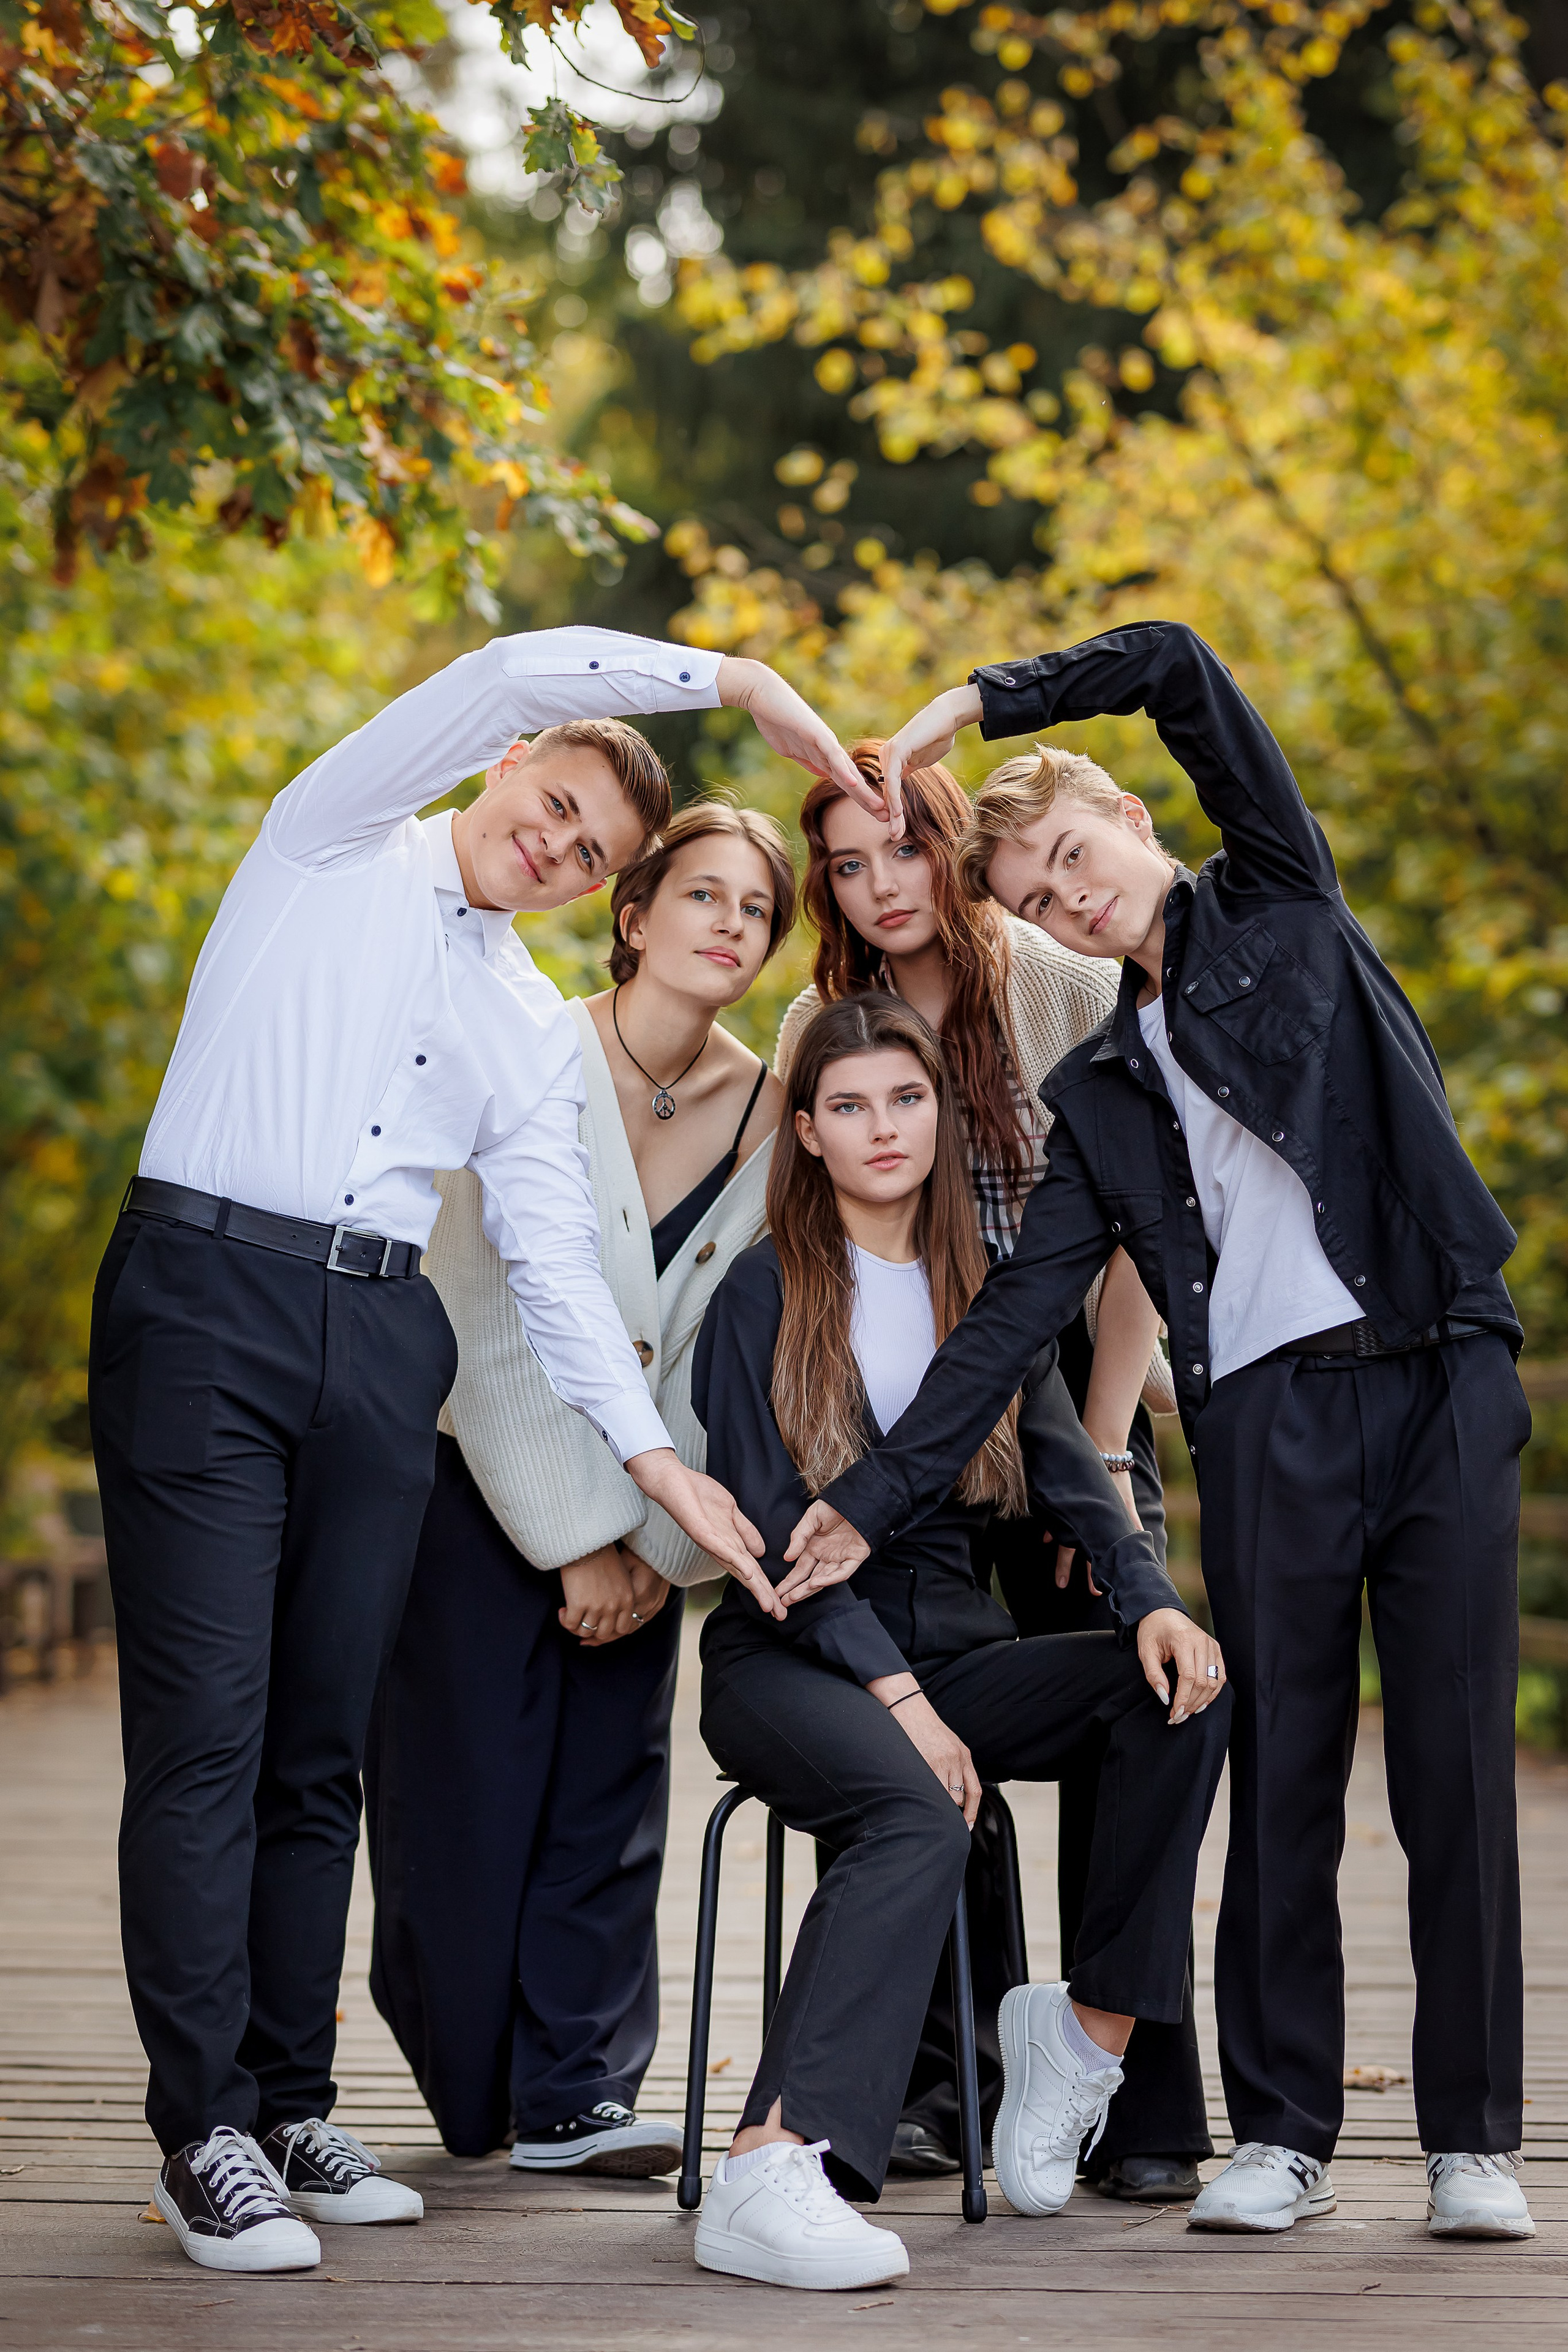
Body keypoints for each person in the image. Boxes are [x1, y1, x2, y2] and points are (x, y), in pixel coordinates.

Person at [88, 624, 871, 2275]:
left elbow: (553, 1267)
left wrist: (658, 1467)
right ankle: (203, 2132)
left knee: (318, 1752)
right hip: (208, 1299)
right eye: (564, 802)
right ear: (513, 764)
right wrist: (737, 685)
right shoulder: (334, 836)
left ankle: (291, 2099)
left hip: (380, 1343)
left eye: (593, 852)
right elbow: (514, 662)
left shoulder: (521, 1021)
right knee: (211, 1736)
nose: (561, 845)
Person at [785, 621, 1536, 2242]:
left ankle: (1473, 2141)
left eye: (1073, 860)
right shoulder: (1109, 1088)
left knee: (1459, 1770)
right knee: (1283, 1771)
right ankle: (1285, 2134)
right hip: (1266, 1430)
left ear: (1132, 819)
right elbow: (1004, 1331)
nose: (1071, 900)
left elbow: (1186, 663)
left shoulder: (1278, 896)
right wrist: (873, 1493)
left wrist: (968, 712)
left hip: (1438, 1378)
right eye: (1041, 899)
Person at [689, 995, 1231, 2293]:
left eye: (905, 1099)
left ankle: (1081, 2038)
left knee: (1181, 1692)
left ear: (941, 1114)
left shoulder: (980, 1292)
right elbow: (773, 1546)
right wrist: (902, 1704)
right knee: (919, 1815)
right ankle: (772, 2163)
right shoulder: (755, 1294)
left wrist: (1147, 1598)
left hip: (955, 1645)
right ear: (805, 1132)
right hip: (794, 1656)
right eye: (848, 1106)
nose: (882, 1128)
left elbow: (1070, 1476)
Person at [774, 747, 1206, 2199]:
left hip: (1070, 1395)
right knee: (943, 1709)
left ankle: (1129, 2103)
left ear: (952, 850)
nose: (880, 883)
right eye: (845, 862)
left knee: (1126, 1707)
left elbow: (1145, 1228)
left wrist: (1094, 1440)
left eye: (903, 848)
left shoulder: (1064, 980)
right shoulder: (817, 1026)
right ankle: (951, 2084)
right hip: (911, 1422)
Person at [365, 803, 795, 2178]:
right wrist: (576, 1536)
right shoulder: (530, 1050)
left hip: (651, 1510)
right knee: (461, 1792)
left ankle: (577, 2095)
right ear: (630, 915)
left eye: (756, 910)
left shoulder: (771, 1109)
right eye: (702, 896)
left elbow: (725, 1337)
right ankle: (476, 2090)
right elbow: (482, 1305)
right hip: (471, 1469)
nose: (729, 925)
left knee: (610, 1798)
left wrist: (651, 1533)